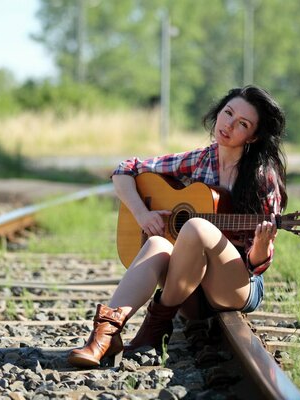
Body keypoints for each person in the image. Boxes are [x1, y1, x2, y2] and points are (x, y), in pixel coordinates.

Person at [67, 85, 288, 368]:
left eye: (242, 124)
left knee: (195, 227)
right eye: (228, 113)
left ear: (253, 136)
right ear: (218, 112)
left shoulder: (262, 176)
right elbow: (125, 169)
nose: (229, 125)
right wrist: (143, 214)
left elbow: (257, 265)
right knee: (158, 242)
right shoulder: (200, 160)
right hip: (188, 289)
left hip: (235, 286)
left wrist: (261, 246)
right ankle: (104, 336)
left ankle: (154, 328)